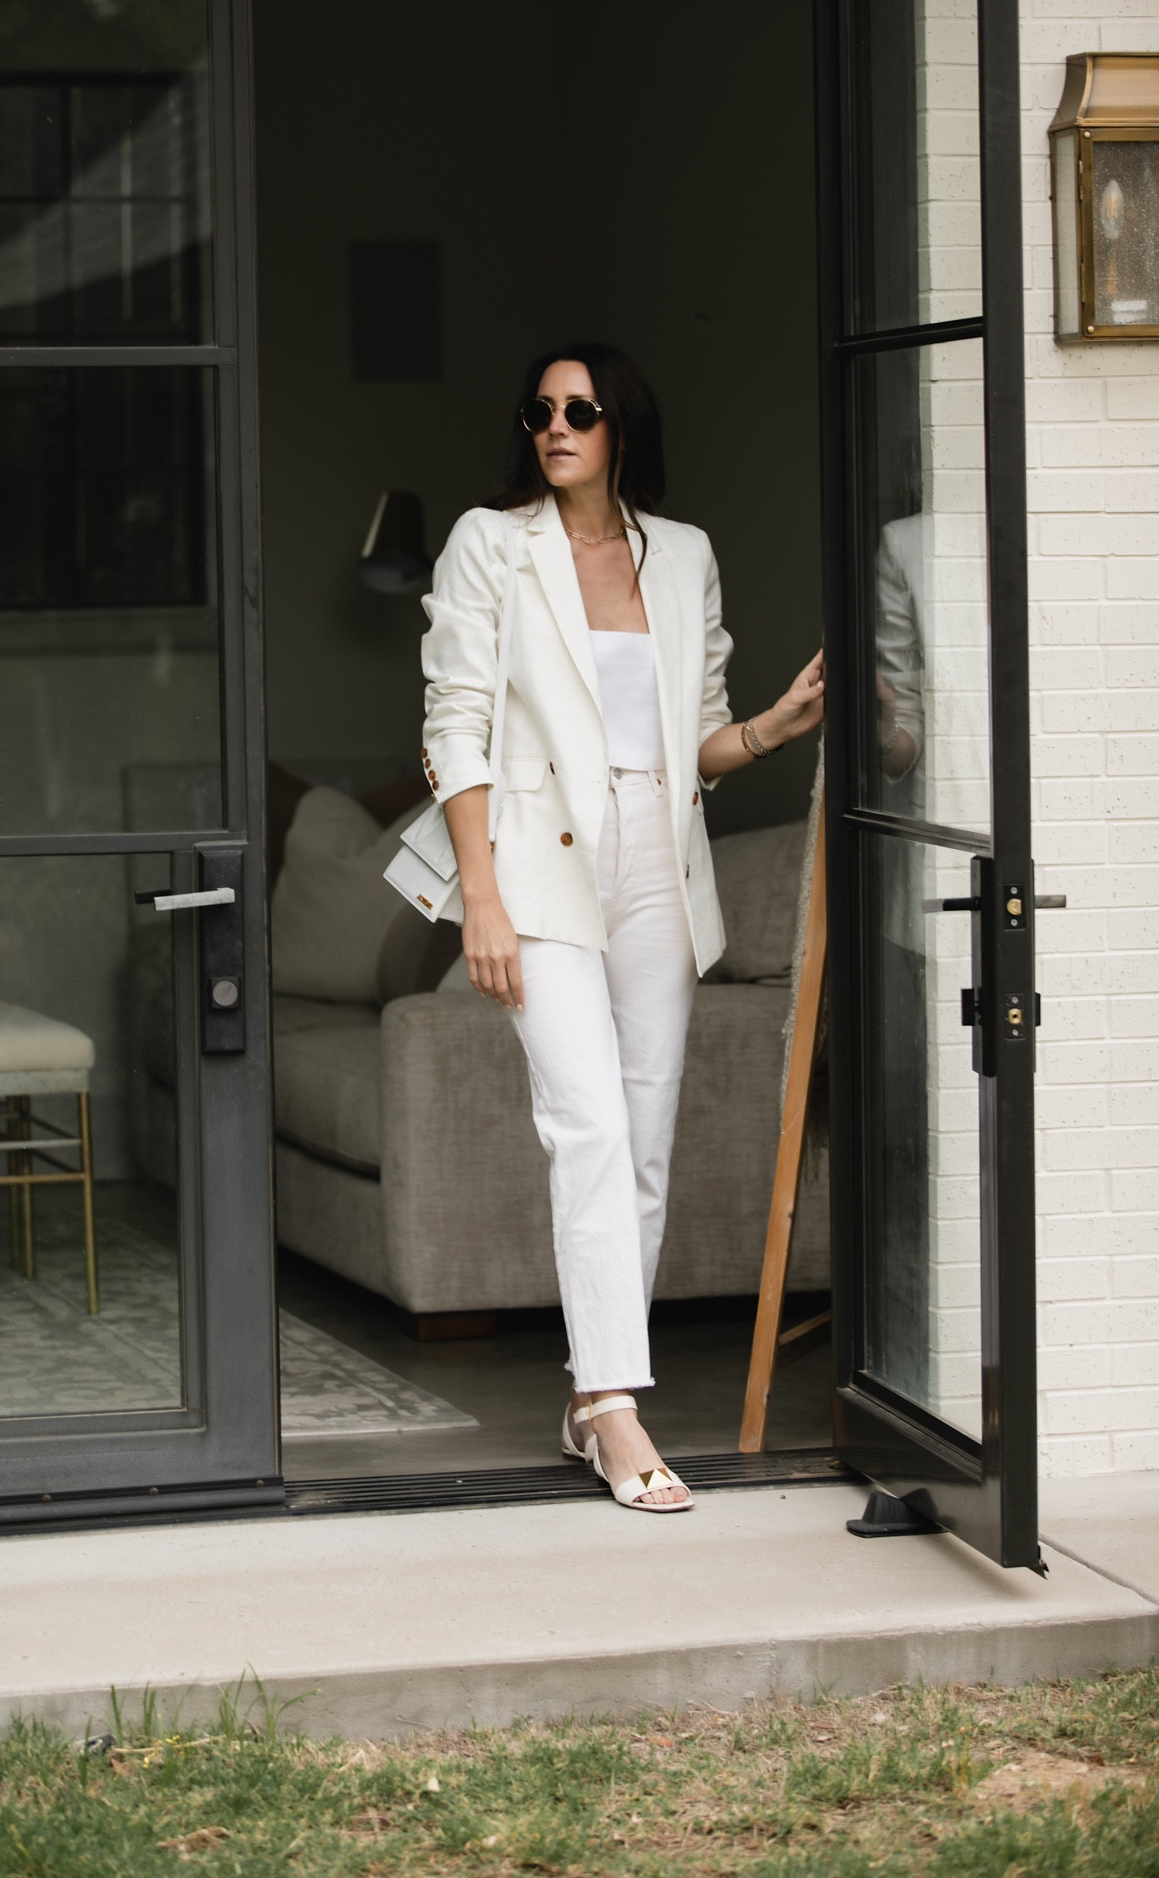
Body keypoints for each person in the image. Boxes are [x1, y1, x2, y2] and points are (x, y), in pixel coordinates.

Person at [419, 344, 823, 1512]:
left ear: (621, 431)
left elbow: (694, 736)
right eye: (542, 410)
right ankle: (613, 1408)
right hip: (539, 862)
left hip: (659, 852)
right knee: (587, 1121)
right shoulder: (491, 545)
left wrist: (774, 727)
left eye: (580, 411)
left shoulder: (682, 553)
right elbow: (454, 723)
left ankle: (596, 1390)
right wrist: (479, 895)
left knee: (643, 1140)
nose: (557, 426)